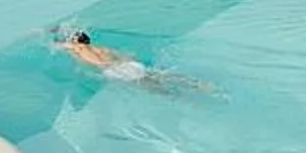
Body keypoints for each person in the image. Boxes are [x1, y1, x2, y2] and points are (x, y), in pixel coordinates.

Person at [54, 28, 211, 94]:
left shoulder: (78, 48)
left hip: (113, 69)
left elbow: (59, 44)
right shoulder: (101, 48)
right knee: (158, 75)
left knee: (152, 88)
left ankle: (179, 97)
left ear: (77, 41)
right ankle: (197, 84)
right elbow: (124, 55)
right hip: (126, 64)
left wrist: (54, 32)